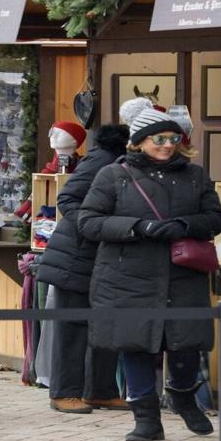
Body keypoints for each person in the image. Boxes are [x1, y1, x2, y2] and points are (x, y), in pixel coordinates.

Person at [78, 108, 221, 441]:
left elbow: (216, 217)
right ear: (139, 141)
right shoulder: (112, 176)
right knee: (136, 345)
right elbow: (88, 221)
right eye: (159, 139)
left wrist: (185, 226)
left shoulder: (195, 175)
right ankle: (145, 417)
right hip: (128, 274)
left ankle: (183, 395)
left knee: (186, 343)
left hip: (182, 272)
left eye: (174, 139)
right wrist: (138, 227)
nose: (167, 145)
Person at [31, 104, 139, 415]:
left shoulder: (133, 163)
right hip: (77, 253)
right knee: (73, 326)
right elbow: (68, 197)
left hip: (109, 255)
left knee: (107, 323)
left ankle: (100, 390)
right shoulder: (103, 158)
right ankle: (65, 391)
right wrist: (95, 226)